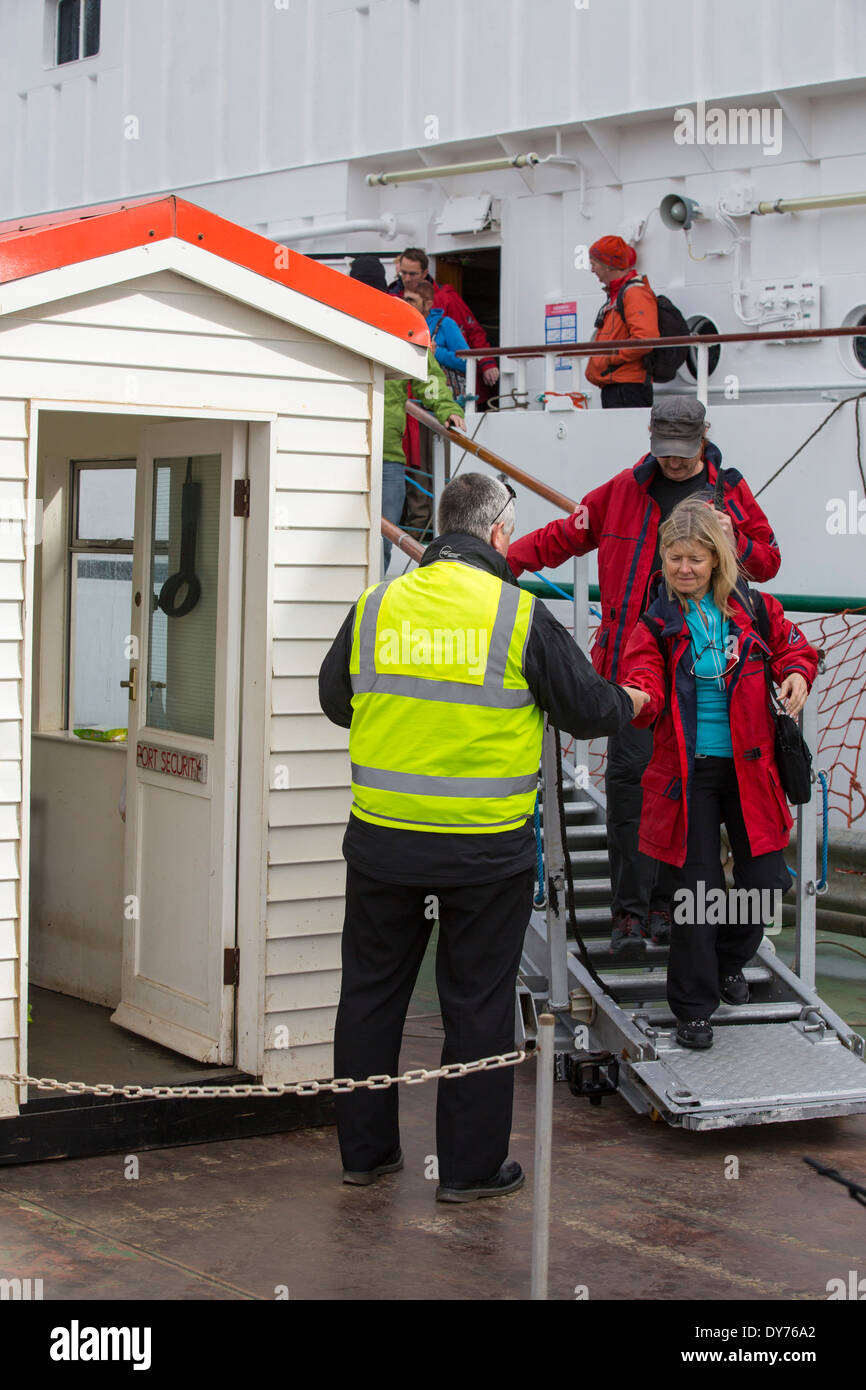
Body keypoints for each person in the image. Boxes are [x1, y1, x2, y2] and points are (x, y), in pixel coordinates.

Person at [318, 473, 648, 1201]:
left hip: (383, 841)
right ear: (499, 535)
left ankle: (366, 1156)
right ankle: (467, 1172)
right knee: (476, 1005)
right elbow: (589, 710)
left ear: (443, 530)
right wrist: (635, 697)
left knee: (371, 995)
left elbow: (335, 701)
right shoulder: (518, 616)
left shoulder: (377, 606)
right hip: (482, 850)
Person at [506, 396, 782, 960]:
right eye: (665, 452)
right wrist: (498, 563)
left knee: (685, 800)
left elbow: (770, 561)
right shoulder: (622, 490)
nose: (675, 463)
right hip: (636, 673)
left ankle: (667, 907)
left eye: (684, 453)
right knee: (631, 789)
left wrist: (737, 540)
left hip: (708, 684)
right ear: (651, 439)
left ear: (704, 439)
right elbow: (563, 535)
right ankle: (629, 913)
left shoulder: (730, 492)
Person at [620, 498, 818, 1049]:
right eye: (675, 558)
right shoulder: (657, 620)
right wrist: (637, 696)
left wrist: (798, 673)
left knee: (763, 884)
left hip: (751, 770)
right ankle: (693, 1008)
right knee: (697, 894)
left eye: (696, 559)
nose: (684, 570)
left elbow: (793, 647)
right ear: (663, 559)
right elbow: (643, 673)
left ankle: (730, 959)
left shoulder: (753, 606)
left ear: (717, 560)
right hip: (690, 775)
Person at [348, 256, 465, 570]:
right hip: (352, 451)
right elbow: (431, 379)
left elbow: (429, 377)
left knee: (380, 543)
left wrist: (447, 410)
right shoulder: (341, 318)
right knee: (367, 541)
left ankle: (366, 608)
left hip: (384, 454)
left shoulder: (398, 323)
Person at [398, 282, 470, 544]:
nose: (406, 304)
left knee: (431, 471)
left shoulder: (444, 326)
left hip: (431, 409)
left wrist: (440, 353)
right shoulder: (399, 325)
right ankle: (417, 532)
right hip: (411, 409)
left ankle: (427, 533)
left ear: (428, 304)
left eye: (412, 300)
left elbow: (466, 359)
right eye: (404, 298)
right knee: (418, 472)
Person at [388, 247, 499, 400]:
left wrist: (487, 363)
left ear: (425, 273)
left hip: (435, 391)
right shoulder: (392, 298)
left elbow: (473, 333)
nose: (406, 278)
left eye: (412, 274)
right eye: (403, 273)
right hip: (405, 388)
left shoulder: (447, 300)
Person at [585, 235, 659, 409]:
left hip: (627, 388)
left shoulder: (634, 294)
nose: (592, 269)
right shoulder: (621, 294)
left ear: (607, 266)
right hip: (619, 385)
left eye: (594, 263)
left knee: (624, 436)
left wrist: (610, 357)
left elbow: (646, 338)